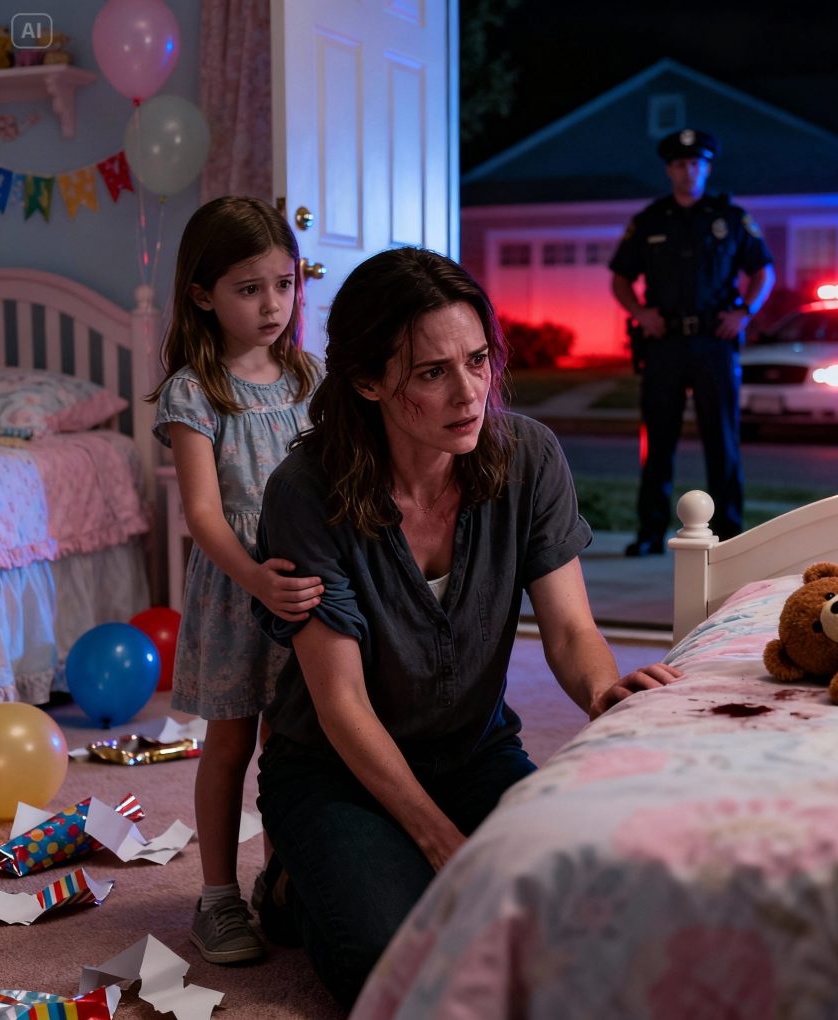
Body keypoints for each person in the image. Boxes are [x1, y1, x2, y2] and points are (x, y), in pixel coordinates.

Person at [251, 246, 682, 1009]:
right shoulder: (305, 492)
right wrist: (437, 839)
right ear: (368, 381)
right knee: (401, 961)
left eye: (478, 360)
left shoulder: (529, 458)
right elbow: (341, 704)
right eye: (432, 373)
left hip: (475, 755)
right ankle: (290, 886)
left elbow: (570, 630)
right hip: (334, 772)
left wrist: (603, 692)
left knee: (581, 919)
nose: (469, 392)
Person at [149, 196, 323, 965]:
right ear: (202, 295)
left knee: (296, 742)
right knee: (230, 743)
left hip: (303, 592)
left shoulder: (309, 378)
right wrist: (254, 578)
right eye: (249, 289)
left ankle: (284, 880)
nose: (272, 305)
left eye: (283, 284)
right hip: (237, 590)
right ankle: (217, 897)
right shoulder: (195, 390)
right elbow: (201, 513)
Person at [609, 128, 776, 552]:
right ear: (670, 170)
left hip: (713, 343)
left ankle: (730, 534)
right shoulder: (650, 221)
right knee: (657, 442)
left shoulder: (729, 218)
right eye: (682, 164)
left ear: (707, 168)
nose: (690, 171)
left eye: (697, 163)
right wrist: (640, 313)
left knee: (722, 441)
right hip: (664, 343)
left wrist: (744, 312)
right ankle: (650, 533)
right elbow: (620, 278)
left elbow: (763, 271)